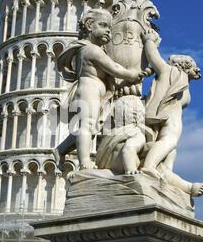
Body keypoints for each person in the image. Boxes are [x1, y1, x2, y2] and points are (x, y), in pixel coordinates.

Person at [53, 9, 145, 171]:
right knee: (86, 126)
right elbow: (114, 68)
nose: (108, 30)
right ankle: (84, 163)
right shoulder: (91, 50)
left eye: (110, 27)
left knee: (90, 127)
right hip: (89, 90)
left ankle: (60, 150)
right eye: (103, 25)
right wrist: (131, 74)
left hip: (96, 93)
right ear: (89, 25)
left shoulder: (95, 49)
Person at [141, 30, 203, 197]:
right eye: (193, 65)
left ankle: (183, 186)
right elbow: (153, 56)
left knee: (169, 155)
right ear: (184, 65)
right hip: (169, 118)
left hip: (169, 118)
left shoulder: (181, 79)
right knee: (169, 141)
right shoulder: (170, 71)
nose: (197, 69)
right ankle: (148, 166)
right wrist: (149, 39)